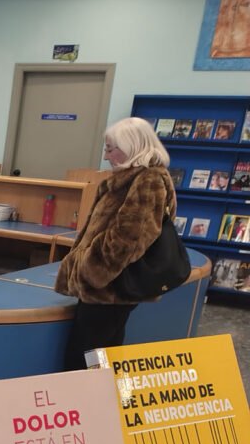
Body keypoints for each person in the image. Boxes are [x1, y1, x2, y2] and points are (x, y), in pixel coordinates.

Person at [55, 117, 176, 371]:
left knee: (84, 363)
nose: (106, 156)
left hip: (109, 290)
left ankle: (91, 398)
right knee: (99, 360)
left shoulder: (147, 180)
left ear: (132, 146)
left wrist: (93, 270)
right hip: (106, 289)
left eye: (111, 149)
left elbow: (130, 238)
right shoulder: (131, 178)